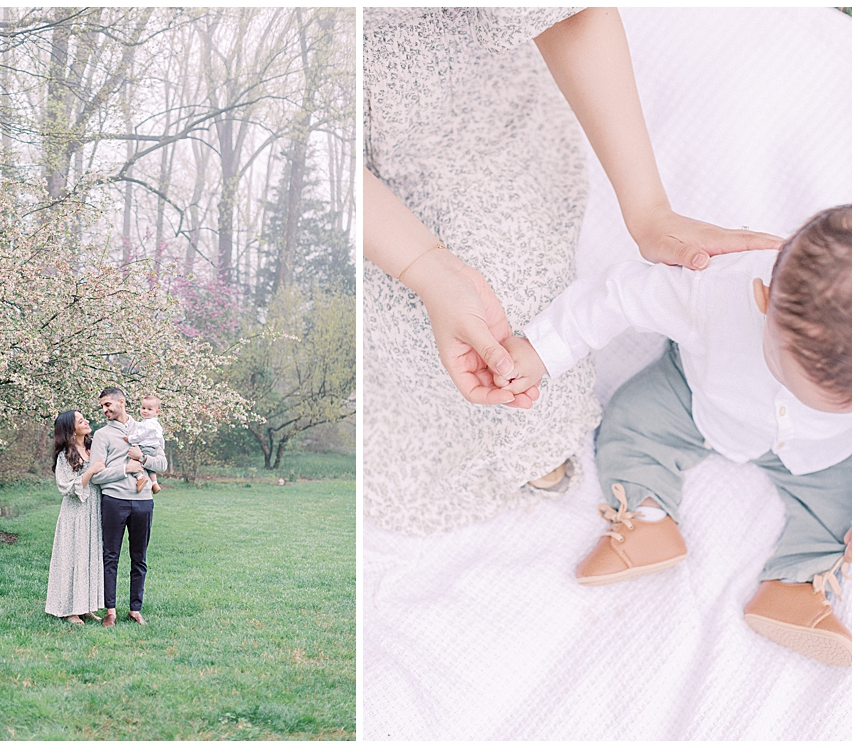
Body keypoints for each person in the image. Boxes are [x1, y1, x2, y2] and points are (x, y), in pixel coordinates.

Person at [362, 7, 782, 534]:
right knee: (446, 338)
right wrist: (425, 268)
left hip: (460, 108)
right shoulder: (724, 295)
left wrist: (649, 210)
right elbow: (618, 297)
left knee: (498, 319)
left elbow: (572, 14)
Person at [499, 205, 852, 666]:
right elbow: (616, 295)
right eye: (787, 374)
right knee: (632, 420)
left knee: (843, 510)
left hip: (819, 452)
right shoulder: (712, 289)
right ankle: (648, 518)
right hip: (697, 398)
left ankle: (796, 588)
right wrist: (540, 350)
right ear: (764, 299)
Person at [89, 386, 167, 626]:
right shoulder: (102, 435)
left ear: (120, 402)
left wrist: (142, 459)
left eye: (107, 405)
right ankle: (110, 611)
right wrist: (125, 469)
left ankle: (135, 609)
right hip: (114, 501)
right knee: (110, 556)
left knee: (139, 558)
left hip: (143, 502)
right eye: (102, 406)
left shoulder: (147, 426)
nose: (104, 410)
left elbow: (162, 464)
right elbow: (95, 476)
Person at [45, 410, 107, 625]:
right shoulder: (65, 455)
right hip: (75, 513)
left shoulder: (93, 448)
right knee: (73, 558)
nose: (87, 421)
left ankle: (86, 606)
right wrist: (90, 472)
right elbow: (66, 487)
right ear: (71, 431)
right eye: (81, 421)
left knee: (90, 556)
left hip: (94, 509)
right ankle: (70, 609)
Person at [124, 394, 164, 495]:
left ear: (157, 412)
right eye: (143, 408)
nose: (145, 411)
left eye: (149, 409)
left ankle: (140, 477)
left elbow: (139, 436)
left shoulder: (146, 424)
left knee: (132, 460)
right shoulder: (157, 424)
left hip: (145, 448)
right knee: (150, 467)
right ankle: (155, 484)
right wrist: (161, 448)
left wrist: (129, 439)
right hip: (154, 448)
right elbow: (160, 438)